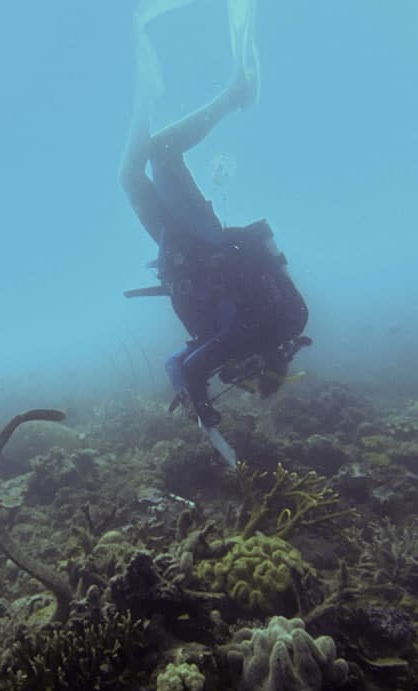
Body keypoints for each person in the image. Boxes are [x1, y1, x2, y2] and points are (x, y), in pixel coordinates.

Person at [120, 1, 310, 428]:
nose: (237, 375)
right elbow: (188, 368)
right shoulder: (255, 335)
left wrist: (195, 396)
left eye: (240, 380)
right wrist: (199, 399)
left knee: (129, 177)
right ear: (264, 364)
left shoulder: (238, 341)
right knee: (163, 153)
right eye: (249, 376)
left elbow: (178, 364)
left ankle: (147, 95)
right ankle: (236, 92)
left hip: (179, 249)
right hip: (202, 239)